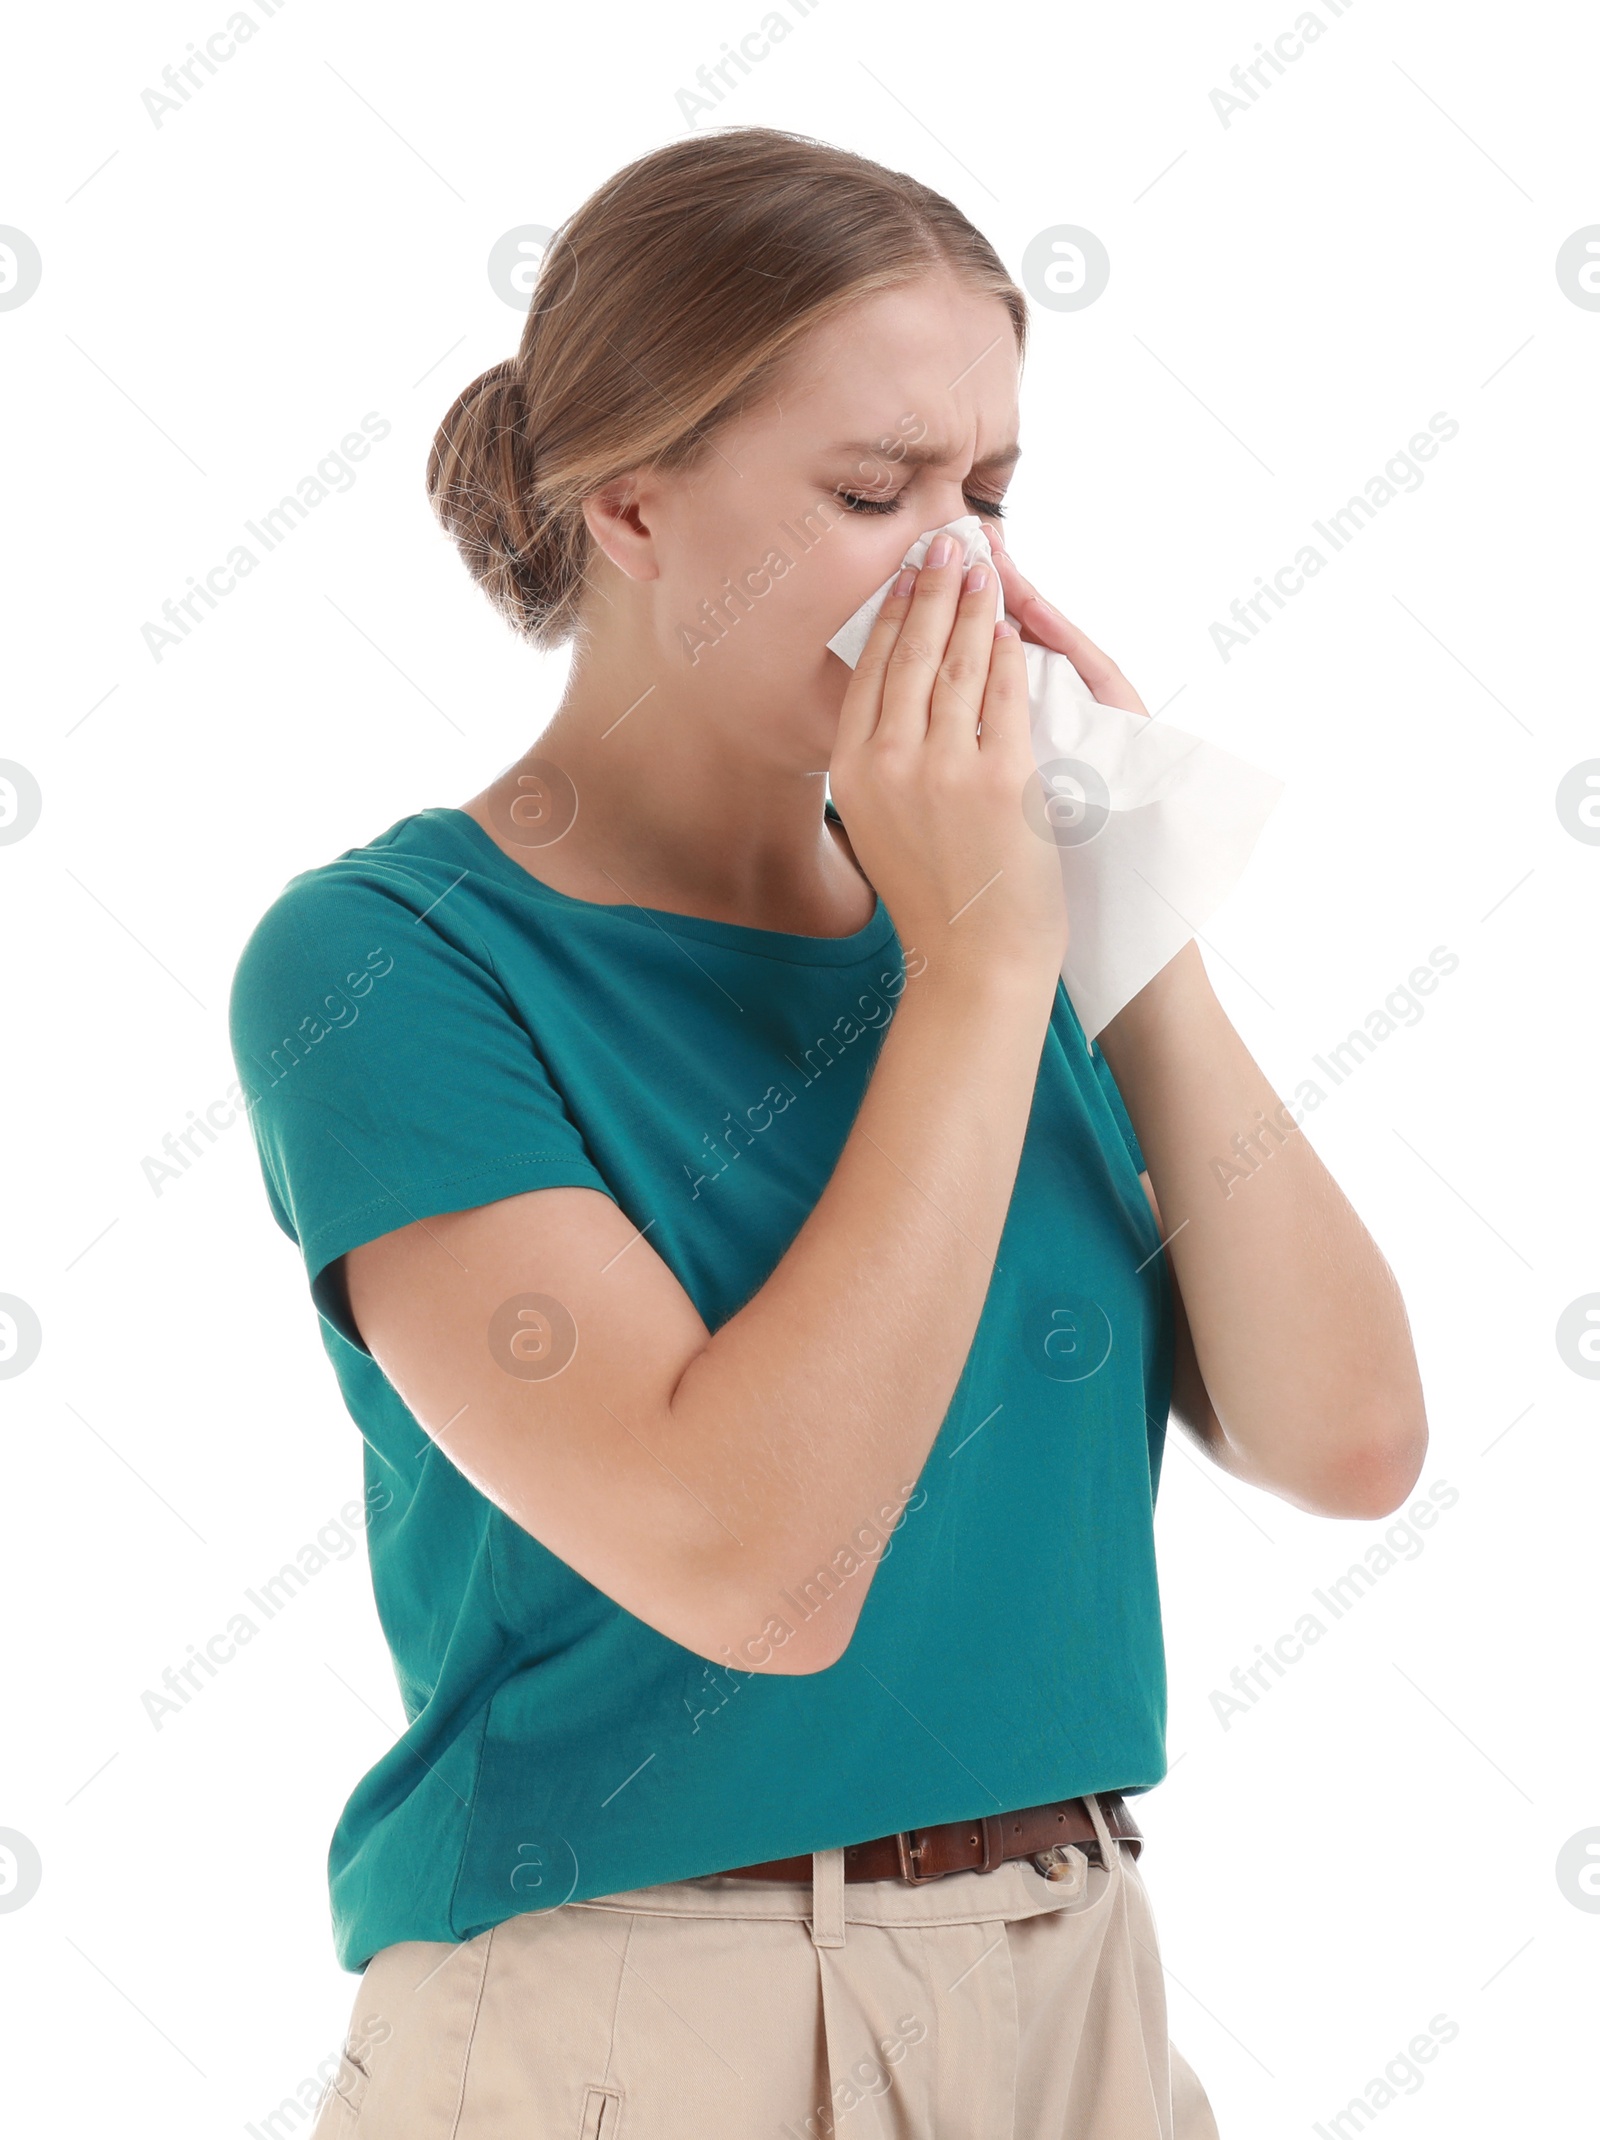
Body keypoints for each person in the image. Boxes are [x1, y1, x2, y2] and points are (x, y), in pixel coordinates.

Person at [229, 125, 1428, 2139]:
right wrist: (973, 972)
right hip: (635, 2009)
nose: (957, 562)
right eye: (873, 493)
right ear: (629, 505)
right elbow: (759, 1573)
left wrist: (1125, 931)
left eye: (987, 491)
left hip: (1075, 1968)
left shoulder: (997, 922)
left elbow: (1347, 1442)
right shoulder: (390, 963)